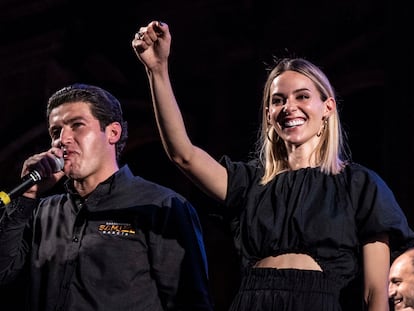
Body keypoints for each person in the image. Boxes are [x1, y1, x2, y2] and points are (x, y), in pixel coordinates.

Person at [131, 20, 414, 311]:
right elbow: (184, 155)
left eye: (302, 96)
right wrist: (157, 70)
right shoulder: (250, 182)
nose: (289, 107)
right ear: (268, 114)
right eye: (278, 100)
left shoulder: (360, 185)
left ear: (327, 107)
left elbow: (374, 294)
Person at [0, 83, 214, 311]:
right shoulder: (42, 212)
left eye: (77, 125)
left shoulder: (160, 206)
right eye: (56, 132)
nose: (62, 139)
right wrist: (26, 197)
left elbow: (191, 302)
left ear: (113, 132)